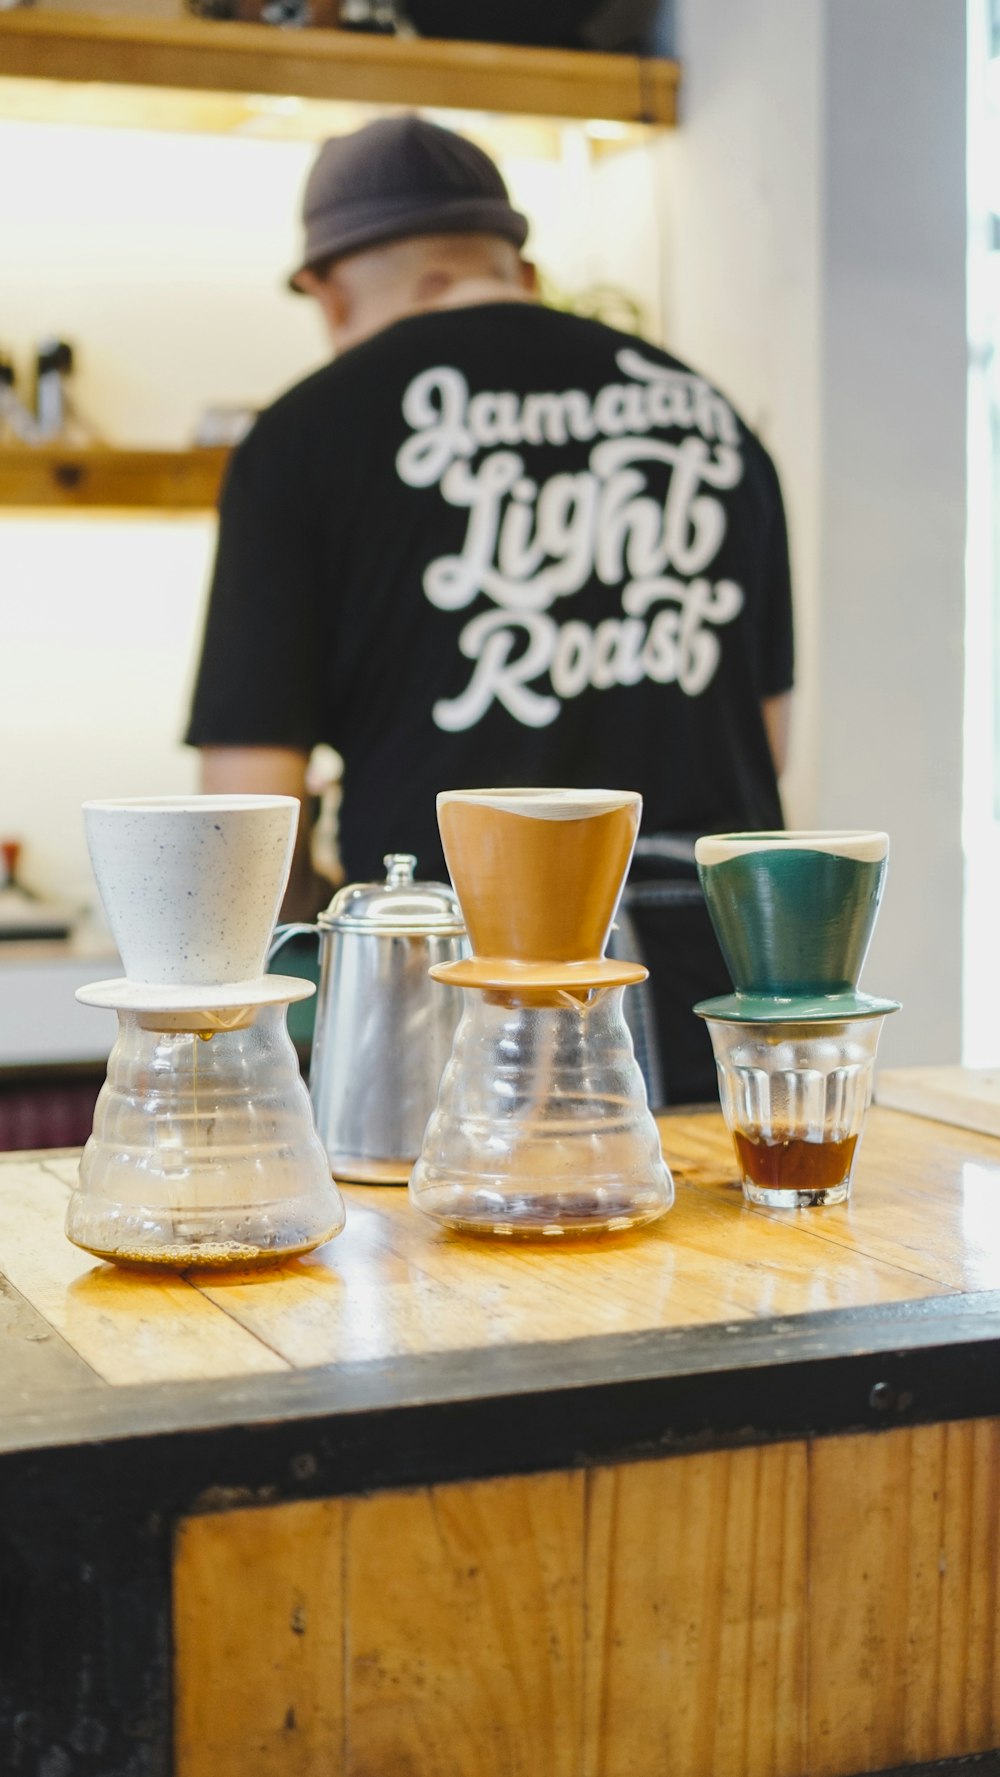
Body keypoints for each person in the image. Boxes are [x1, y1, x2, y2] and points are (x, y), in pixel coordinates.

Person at [186, 114, 793, 1104]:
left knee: (448, 1248)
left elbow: (245, 808)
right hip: (713, 977)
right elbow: (763, 747)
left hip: (446, 968)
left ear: (331, 290)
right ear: (517, 264)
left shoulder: (304, 436)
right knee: (725, 1254)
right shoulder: (707, 415)